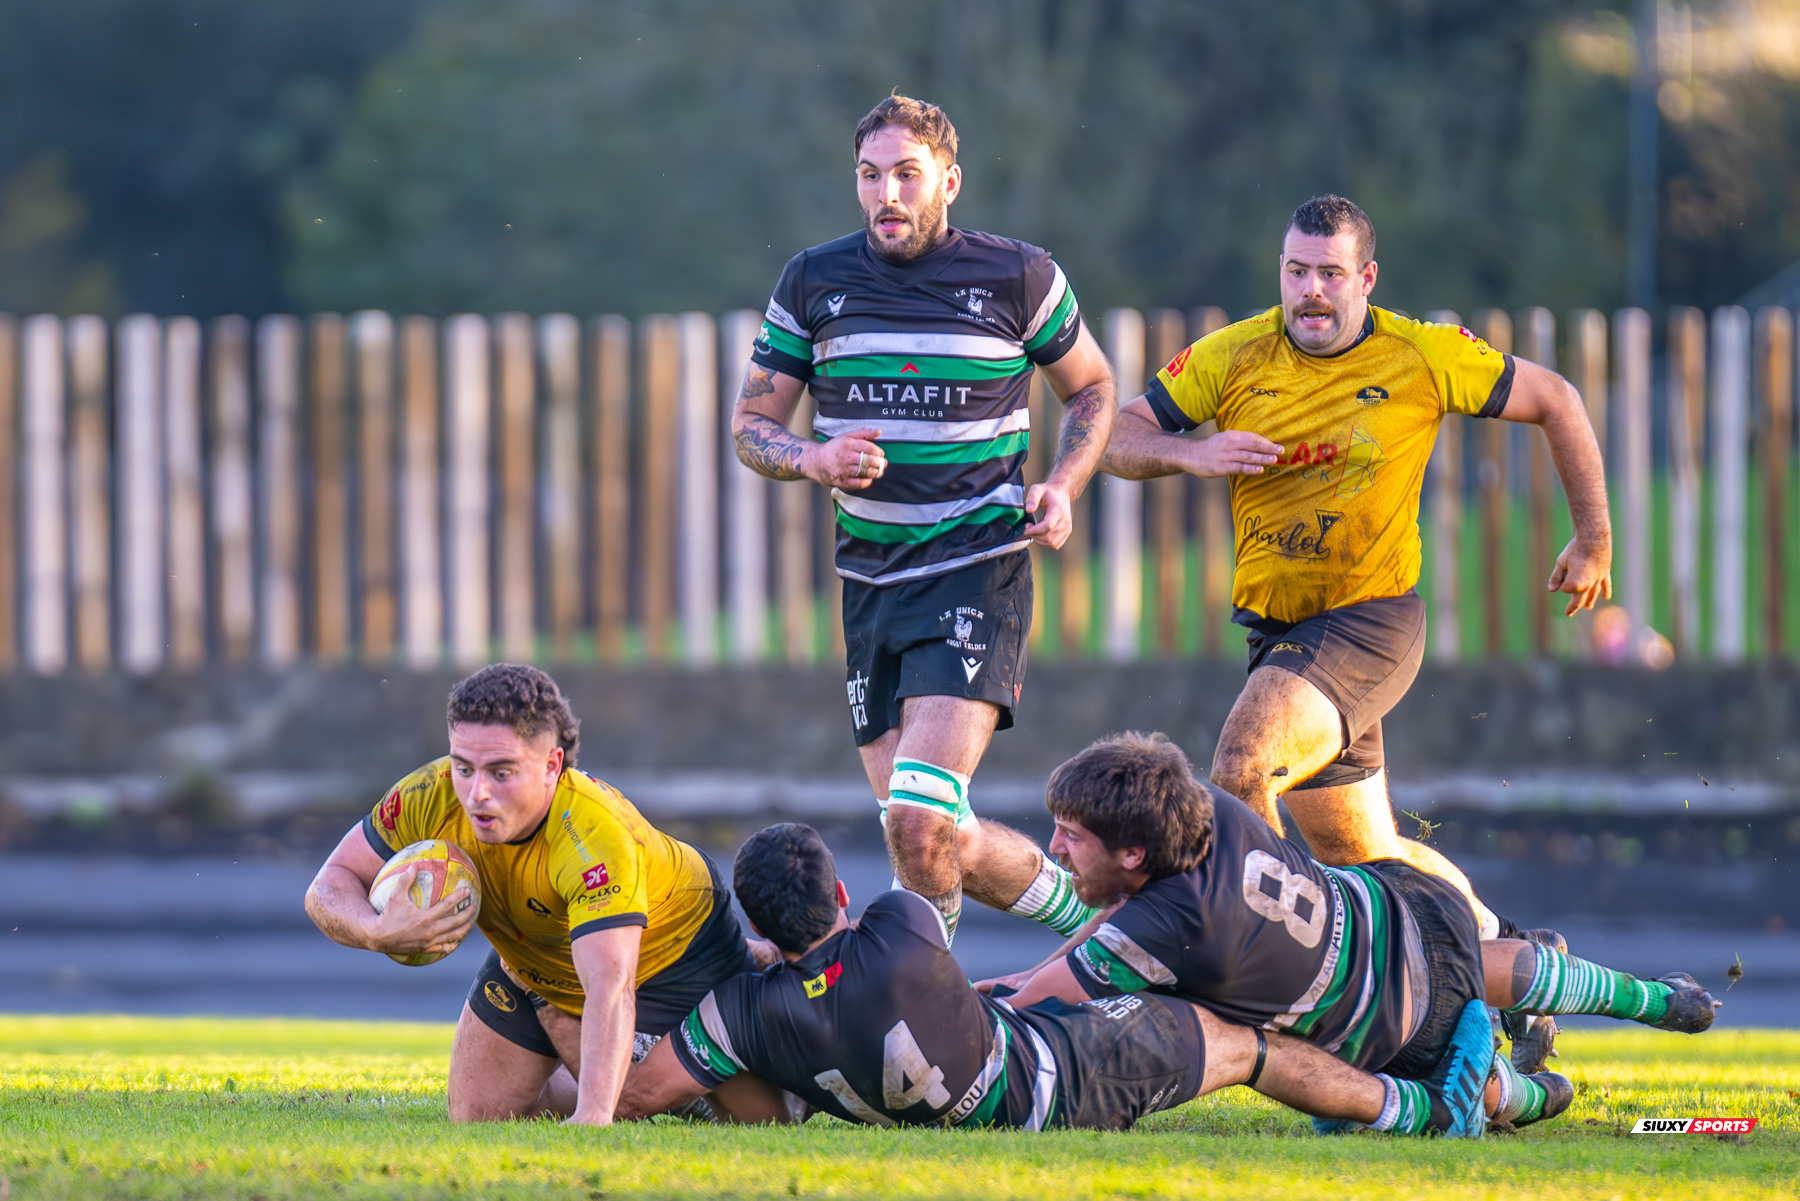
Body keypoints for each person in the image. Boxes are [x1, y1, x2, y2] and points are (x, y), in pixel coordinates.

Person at [1099, 194, 1612, 942]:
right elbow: (1116, 436)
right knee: (1368, 855)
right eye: (1297, 271)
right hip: (1280, 633)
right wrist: (1193, 452)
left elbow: (1557, 400)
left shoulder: (1422, 355)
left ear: (1366, 278)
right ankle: (1512, 958)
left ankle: (1289, 978)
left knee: (1242, 771)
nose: (1311, 290)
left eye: (1330, 274)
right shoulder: (1231, 355)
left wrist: (1593, 538)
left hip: (1372, 620)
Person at [730, 93, 1115, 944]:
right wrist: (814, 458)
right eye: (870, 176)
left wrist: (1062, 485)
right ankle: (1096, 921)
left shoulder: (1018, 276)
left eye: (907, 175)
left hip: (976, 566)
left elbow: (1092, 387)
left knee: (914, 817)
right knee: (937, 832)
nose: (887, 195)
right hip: (868, 583)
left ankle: (924, 995)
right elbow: (751, 429)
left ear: (951, 180)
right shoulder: (813, 281)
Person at [994, 734, 1720, 1133]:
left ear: (1132, 855)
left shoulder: (1168, 922)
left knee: (1462, 1088)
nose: (1053, 847)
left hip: (1394, 1020)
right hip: (1398, 901)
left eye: (1071, 835)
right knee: (1487, 962)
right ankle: (1658, 1000)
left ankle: (1537, 1096)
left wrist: (980, 994)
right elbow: (1100, 934)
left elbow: (1035, 1004)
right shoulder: (1201, 804)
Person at [616, 823, 1497, 1135]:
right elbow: (930, 936)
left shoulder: (738, 1011)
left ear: (760, 930)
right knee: (1247, 1045)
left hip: (994, 1064)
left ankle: (1491, 1088)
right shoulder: (895, 921)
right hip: (1049, 1076)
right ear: (838, 892)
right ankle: (1424, 1109)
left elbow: (639, 1093)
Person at [303, 664, 760, 1125]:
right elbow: (330, 881)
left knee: (758, 1116)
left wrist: (594, 1117)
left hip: (673, 954)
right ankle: (624, 1065)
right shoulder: (431, 793)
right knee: (477, 1114)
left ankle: (753, 964)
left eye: (501, 772)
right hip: (537, 955)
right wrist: (375, 931)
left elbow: (611, 985)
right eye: (464, 766)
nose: (476, 792)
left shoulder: (592, 836)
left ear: (551, 766)